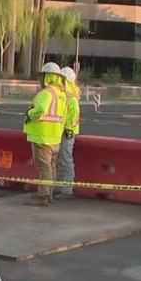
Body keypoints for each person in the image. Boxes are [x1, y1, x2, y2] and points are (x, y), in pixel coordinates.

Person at [23, 62, 69, 206]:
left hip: (42, 136)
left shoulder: (47, 93)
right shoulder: (62, 95)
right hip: (55, 137)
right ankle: (49, 194)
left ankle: (43, 195)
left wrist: (30, 113)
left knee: (44, 167)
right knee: (51, 166)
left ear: (46, 77)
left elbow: (41, 109)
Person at [54, 66, 80, 200]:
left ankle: (66, 190)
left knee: (65, 159)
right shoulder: (68, 93)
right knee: (60, 159)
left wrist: (69, 128)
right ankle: (59, 187)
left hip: (67, 132)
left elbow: (73, 112)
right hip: (63, 130)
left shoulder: (70, 95)